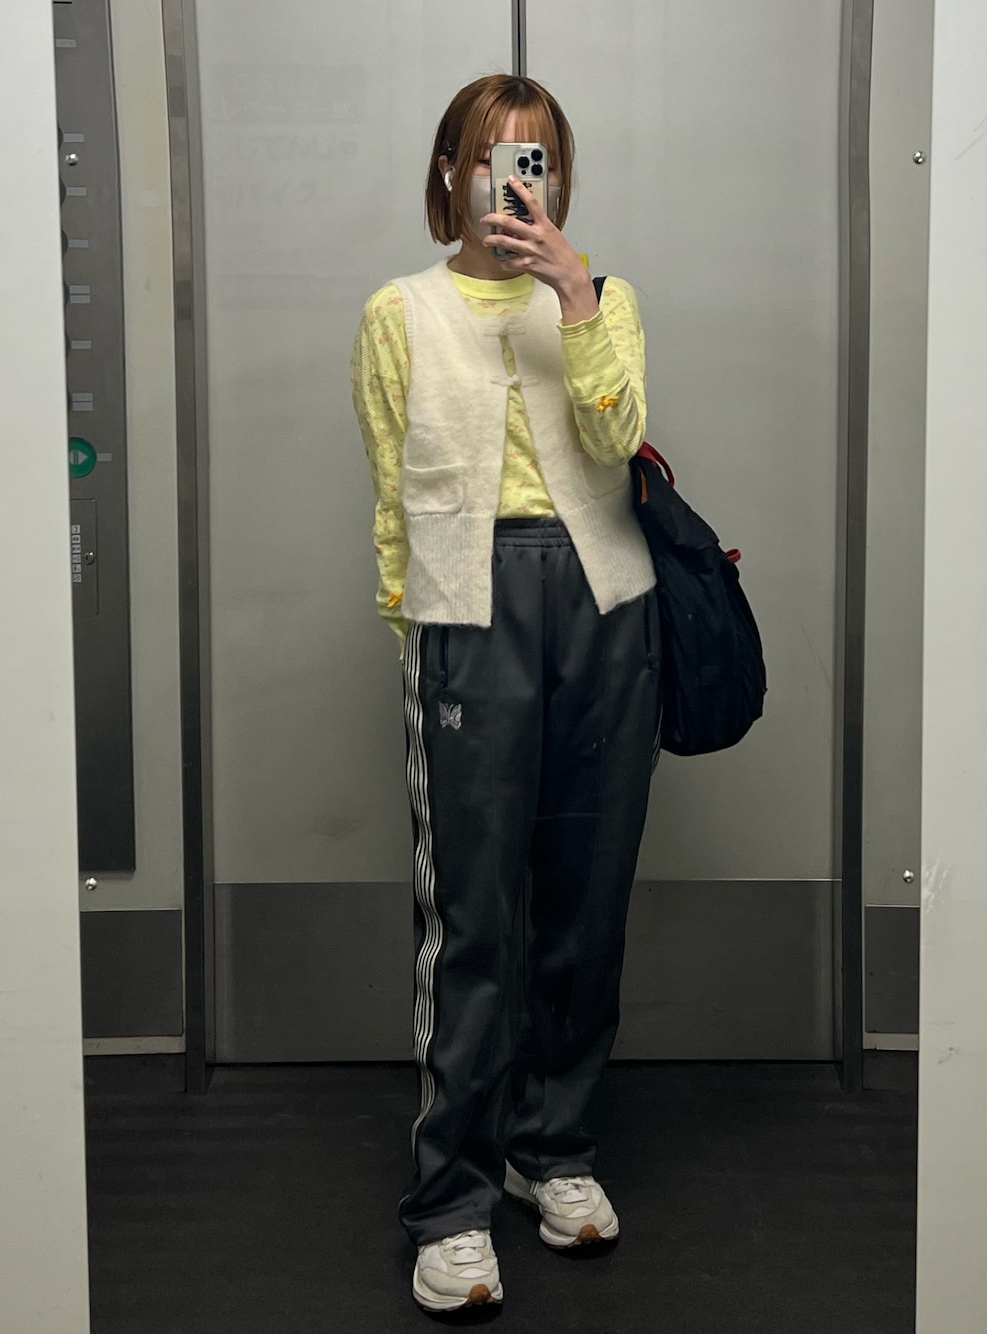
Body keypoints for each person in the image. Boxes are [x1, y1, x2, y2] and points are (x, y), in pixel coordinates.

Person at [350, 74, 662, 1314]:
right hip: (466, 614)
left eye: (535, 159)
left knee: (586, 903)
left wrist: (573, 296)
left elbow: (617, 437)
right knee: (472, 918)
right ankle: (451, 1201)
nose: (512, 180)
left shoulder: (604, 297)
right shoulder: (399, 311)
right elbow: (391, 490)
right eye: (490, 157)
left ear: (557, 177)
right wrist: (419, 635)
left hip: (606, 605)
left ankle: (554, 1148)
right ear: (450, 172)